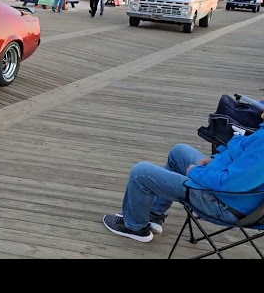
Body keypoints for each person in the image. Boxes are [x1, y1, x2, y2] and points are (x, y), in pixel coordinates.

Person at [103, 98, 264, 242]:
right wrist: (215, 159)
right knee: (179, 152)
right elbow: (241, 152)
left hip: (224, 204)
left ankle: (134, 227)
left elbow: (229, 184)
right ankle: (154, 214)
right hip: (229, 191)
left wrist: (195, 172)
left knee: (141, 173)